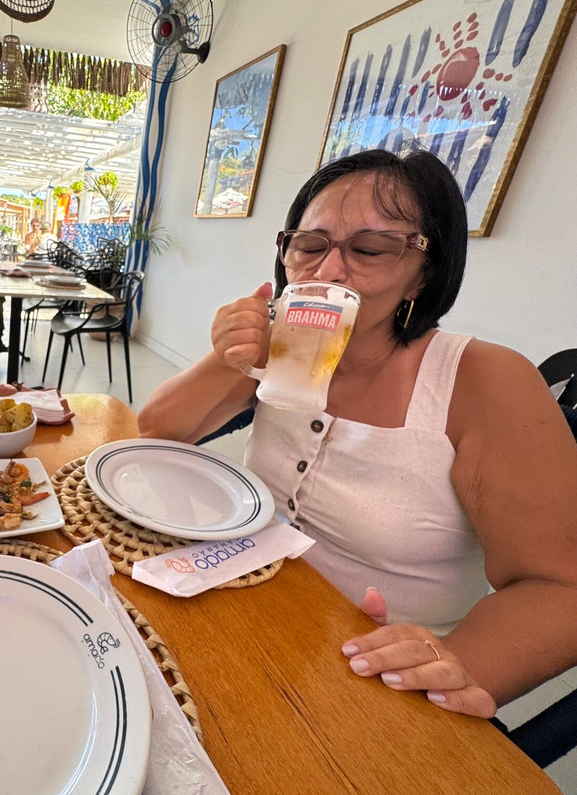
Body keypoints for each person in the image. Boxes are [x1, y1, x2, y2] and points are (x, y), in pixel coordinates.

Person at [137, 148, 577, 719]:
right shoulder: (289, 346)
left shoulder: (484, 380)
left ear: (424, 272)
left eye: (369, 249)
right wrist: (230, 357)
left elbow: (559, 587)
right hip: (247, 605)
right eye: (309, 246)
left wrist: (453, 664)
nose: (327, 272)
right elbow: (157, 429)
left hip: (374, 674)